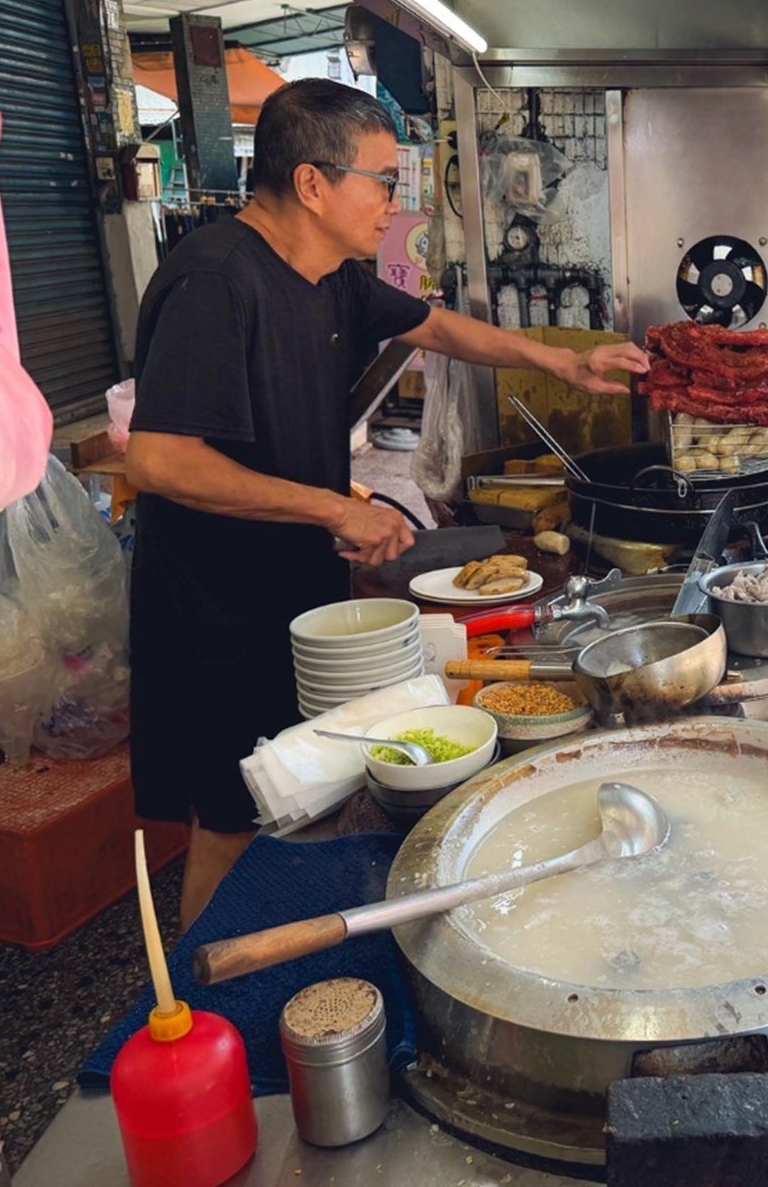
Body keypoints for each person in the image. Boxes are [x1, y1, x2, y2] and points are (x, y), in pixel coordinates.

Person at [125, 79, 650, 928]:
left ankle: (286, 962)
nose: (392, 204)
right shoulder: (217, 281)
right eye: (380, 181)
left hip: (293, 589)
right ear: (311, 184)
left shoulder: (330, 274)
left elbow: (436, 327)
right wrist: (336, 509)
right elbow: (159, 459)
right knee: (229, 815)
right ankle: (205, 1007)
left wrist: (565, 363)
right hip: (212, 608)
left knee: (302, 791)